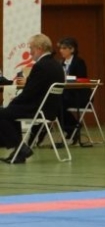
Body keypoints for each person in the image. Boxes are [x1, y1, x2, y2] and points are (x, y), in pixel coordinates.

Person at [0, 34, 66, 164]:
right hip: (51, 109)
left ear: (39, 48)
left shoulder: (41, 66)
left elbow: (29, 92)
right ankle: (19, 152)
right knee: (10, 113)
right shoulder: (57, 65)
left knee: (3, 113)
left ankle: (21, 148)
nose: (30, 52)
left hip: (38, 109)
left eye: (31, 48)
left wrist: (13, 102)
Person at [57, 37, 90, 142]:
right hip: (66, 94)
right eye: (60, 48)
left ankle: (72, 128)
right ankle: (73, 128)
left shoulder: (79, 62)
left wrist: (67, 79)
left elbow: (81, 79)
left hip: (78, 95)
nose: (61, 51)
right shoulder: (61, 63)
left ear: (72, 49)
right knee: (54, 103)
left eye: (64, 48)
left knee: (58, 103)